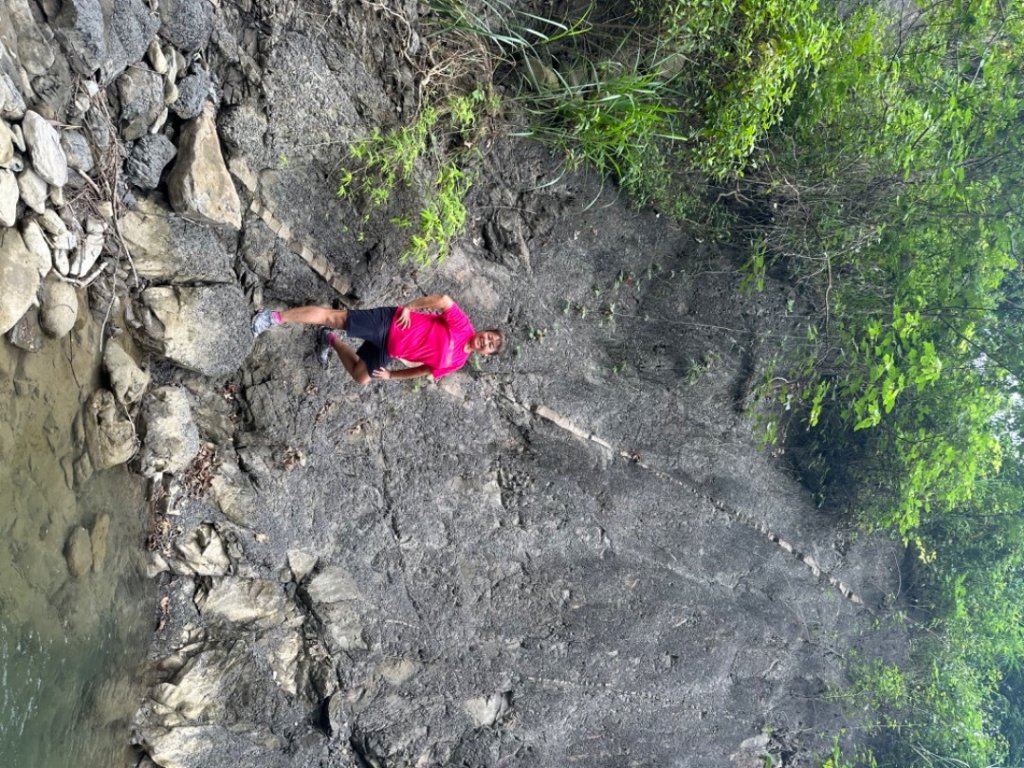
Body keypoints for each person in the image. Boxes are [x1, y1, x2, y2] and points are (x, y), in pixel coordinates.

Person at [251, 294, 503, 384]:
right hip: (389, 323)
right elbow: (443, 300)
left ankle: (328, 340)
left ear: (486, 355)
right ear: (484, 331)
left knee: (362, 377)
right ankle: (273, 317)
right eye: (489, 337)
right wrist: (409, 307)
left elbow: (426, 370)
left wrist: (393, 375)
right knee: (333, 317)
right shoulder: (463, 326)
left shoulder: (458, 361)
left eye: (490, 346)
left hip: (389, 350)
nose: (486, 342)